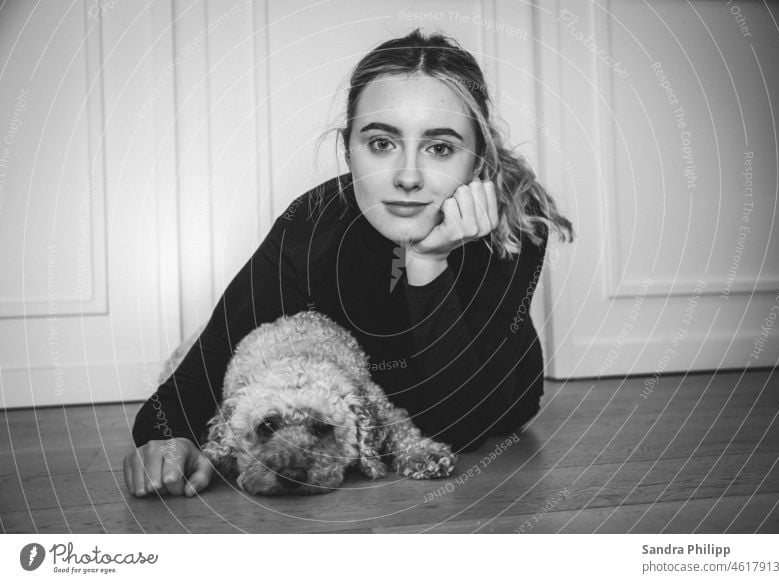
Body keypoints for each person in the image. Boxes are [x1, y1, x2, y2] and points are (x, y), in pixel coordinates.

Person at [123, 28, 575, 498]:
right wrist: (166, 438)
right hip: (356, 408)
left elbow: (461, 428)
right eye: (382, 143)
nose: (407, 177)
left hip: (493, 398)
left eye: (440, 148)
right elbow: (183, 390)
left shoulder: (518, 224)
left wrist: (427, 259)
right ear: (349, 150)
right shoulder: (310, 228)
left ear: (477, 160)